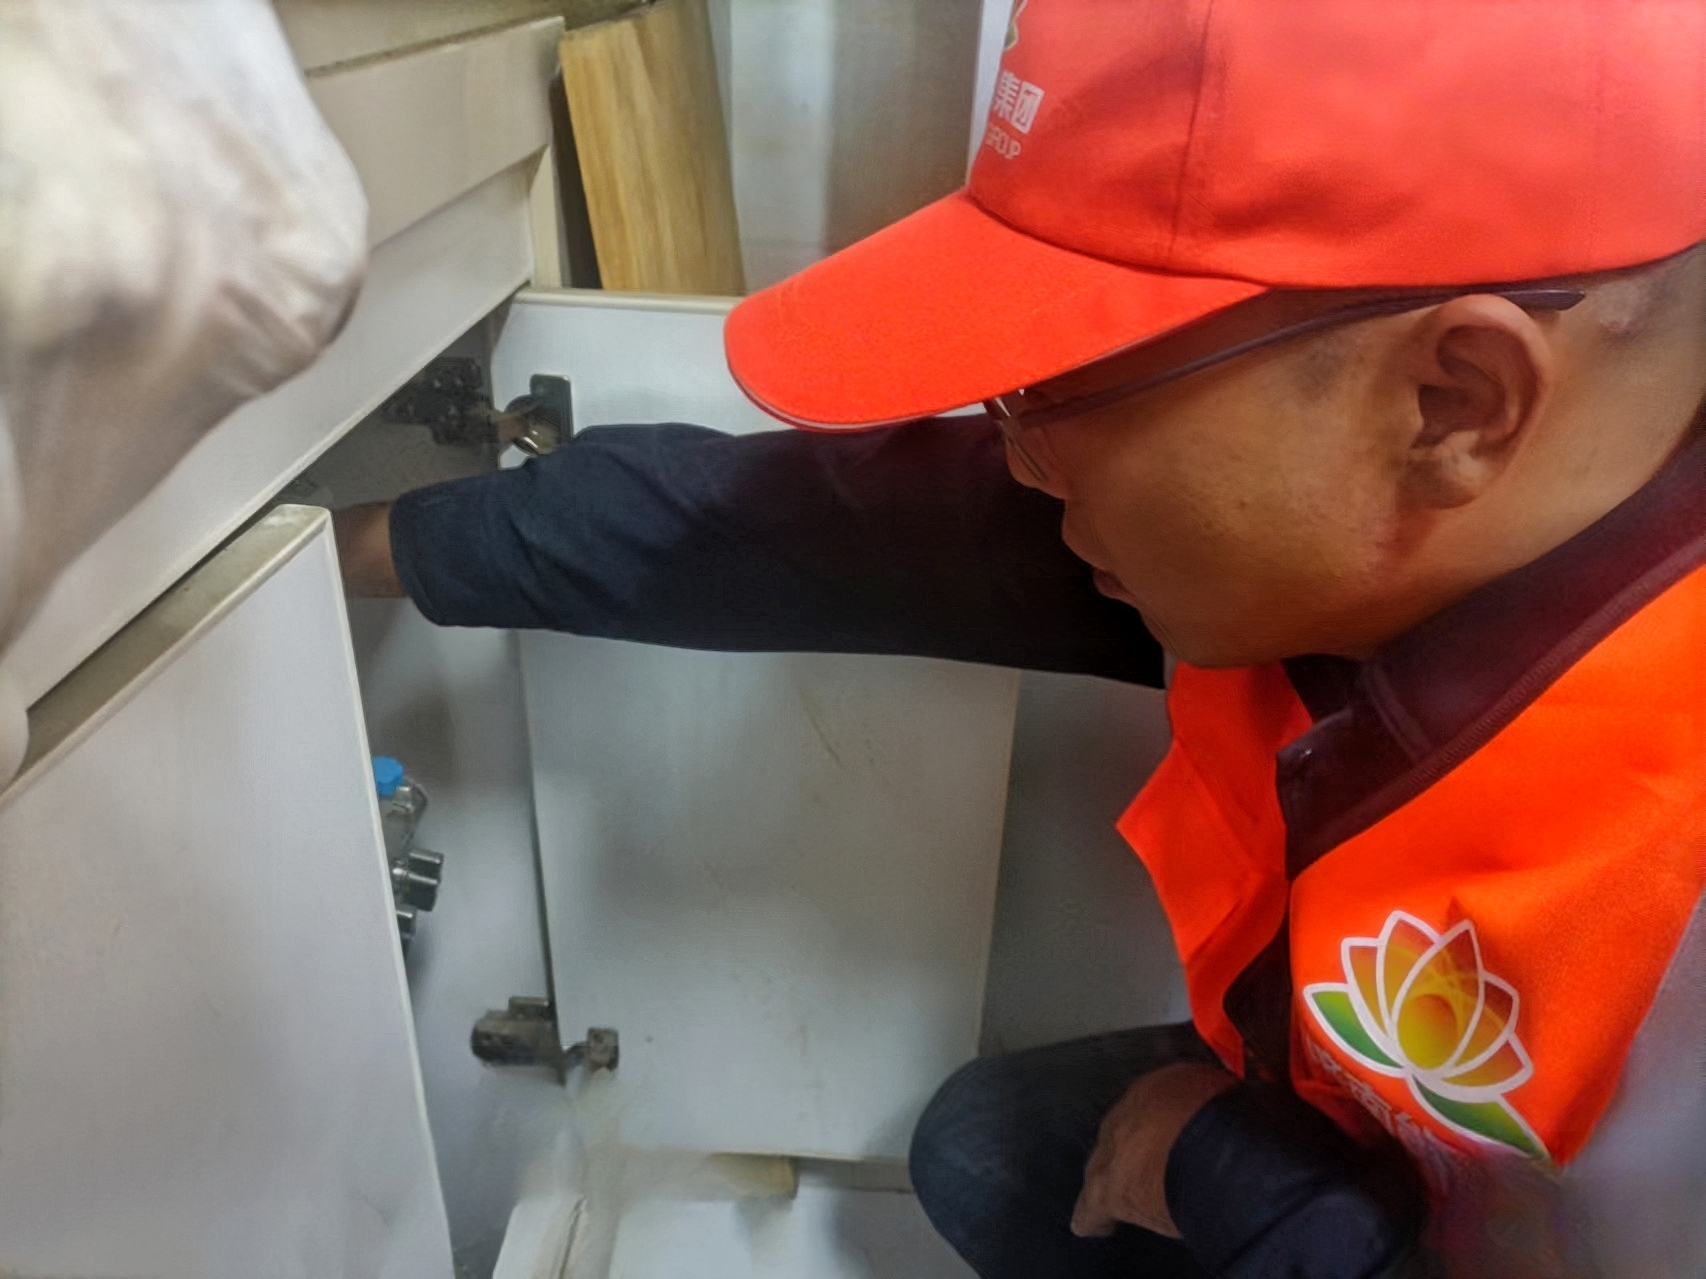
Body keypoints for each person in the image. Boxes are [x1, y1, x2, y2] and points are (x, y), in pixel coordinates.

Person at [336, 2, 1706, 1275]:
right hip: (1369, 1108)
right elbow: (816, 526)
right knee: (993, 1152)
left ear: (1453, 401)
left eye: (1066, 392)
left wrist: (1239, 1183)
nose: (1023, 466)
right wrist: (374, 548)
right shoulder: (1385, 515)